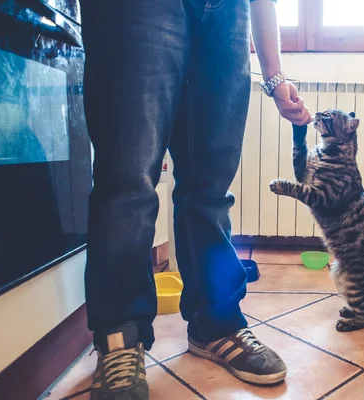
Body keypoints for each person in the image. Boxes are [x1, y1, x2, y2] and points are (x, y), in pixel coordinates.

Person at [80, 0, 312, 398]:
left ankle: (216, 323)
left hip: (226, 11)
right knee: (127, 180)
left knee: (210, 187)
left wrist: (274, 75)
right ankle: (119, 336)